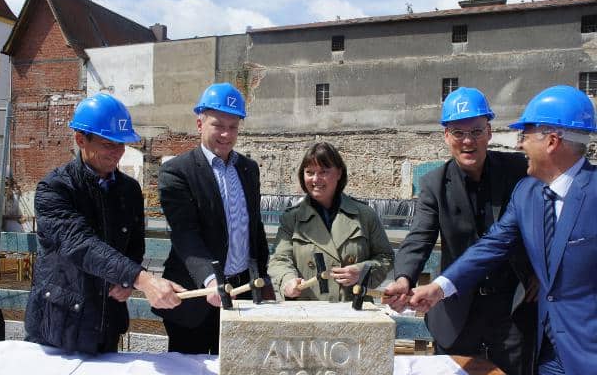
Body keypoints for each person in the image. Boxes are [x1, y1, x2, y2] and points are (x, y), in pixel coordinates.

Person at [407, 85, 597, 375]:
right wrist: (438, 288)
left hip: (585, 354)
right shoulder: (528, 193)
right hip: (546, 357)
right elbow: (491, 246)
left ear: (551, 141)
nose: (520, 145)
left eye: (526, 135)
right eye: (458, 132)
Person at [385, 87, 536, 375]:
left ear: (490, 132)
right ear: (446, 137)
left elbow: (548, 223)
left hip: (513, 311)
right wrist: (403, 278)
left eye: (476, 131)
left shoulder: (519, 170)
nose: (468, 141)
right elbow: (419, 238)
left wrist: (541, 274)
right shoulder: (434, 185)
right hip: (458, 314)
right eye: (458, 132)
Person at [25, 94, 183, 354]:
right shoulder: (55, 189)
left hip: (106, 323)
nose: (118, 153)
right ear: (80, 139)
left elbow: (133, 245)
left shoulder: (129, 190)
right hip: (58, 326)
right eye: (108, 144)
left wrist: (126, 282)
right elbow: (79, 244)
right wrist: (141, 279)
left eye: (121, 144)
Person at [155, 82, 270, 355]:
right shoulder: (176, 172)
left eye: (233, 127)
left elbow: (254, 227)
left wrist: (263, 277)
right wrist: (210, 281)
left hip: (241, 293)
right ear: (200, 123)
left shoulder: (248, 169)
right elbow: (185, 234)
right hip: (195, 297)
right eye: (218, 125)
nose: (226, 134)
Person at [268, 142, 393, 301]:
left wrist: (362, 271)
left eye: (323, 172)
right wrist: (287, 280)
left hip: (353, 311)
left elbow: (385, 257)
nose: (315, 179)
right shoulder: (291, 218)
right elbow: (279, 259)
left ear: (339, 173)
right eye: (309, 172)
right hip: (307, 310)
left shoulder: (365, 215)